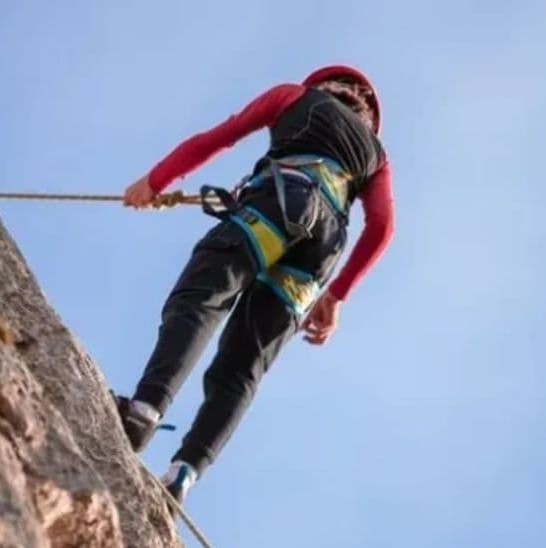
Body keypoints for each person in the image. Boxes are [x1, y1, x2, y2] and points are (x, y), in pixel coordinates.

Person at [116, 65, 395, 505]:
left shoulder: (293, 97)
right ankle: (184, 474)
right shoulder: (376, 156)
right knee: (244, 366)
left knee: (202, 299)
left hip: (280, 202)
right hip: (320, 253)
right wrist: (337, 296)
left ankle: (143, 412)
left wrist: (155, 181)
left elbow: (219, 137)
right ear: (368, 117)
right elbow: (381, 226)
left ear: (320, 88)